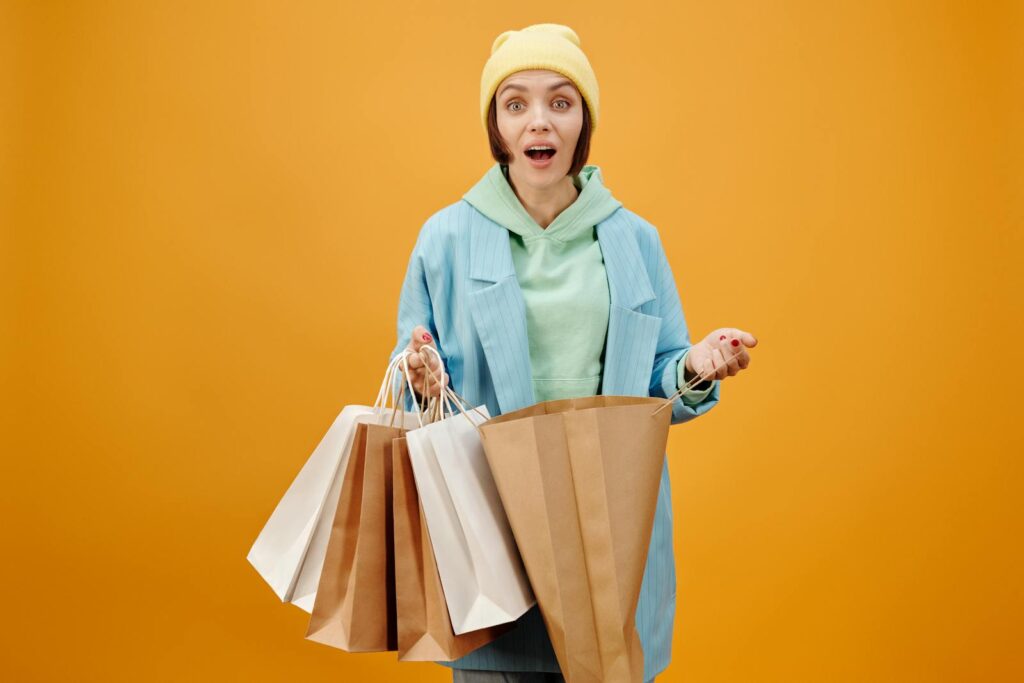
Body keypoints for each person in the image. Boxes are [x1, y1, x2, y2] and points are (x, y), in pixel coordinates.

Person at [390, 23, 757, 683]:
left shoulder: (635, 240)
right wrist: (420, 376)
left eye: (561, 101)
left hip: (606, 529)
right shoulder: (444, 239)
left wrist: (696, 366)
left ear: (583, 120)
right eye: (516, 103)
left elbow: (658, 386)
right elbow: (411, 376)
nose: (540, 120)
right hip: (493, 528)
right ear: (497, 125)